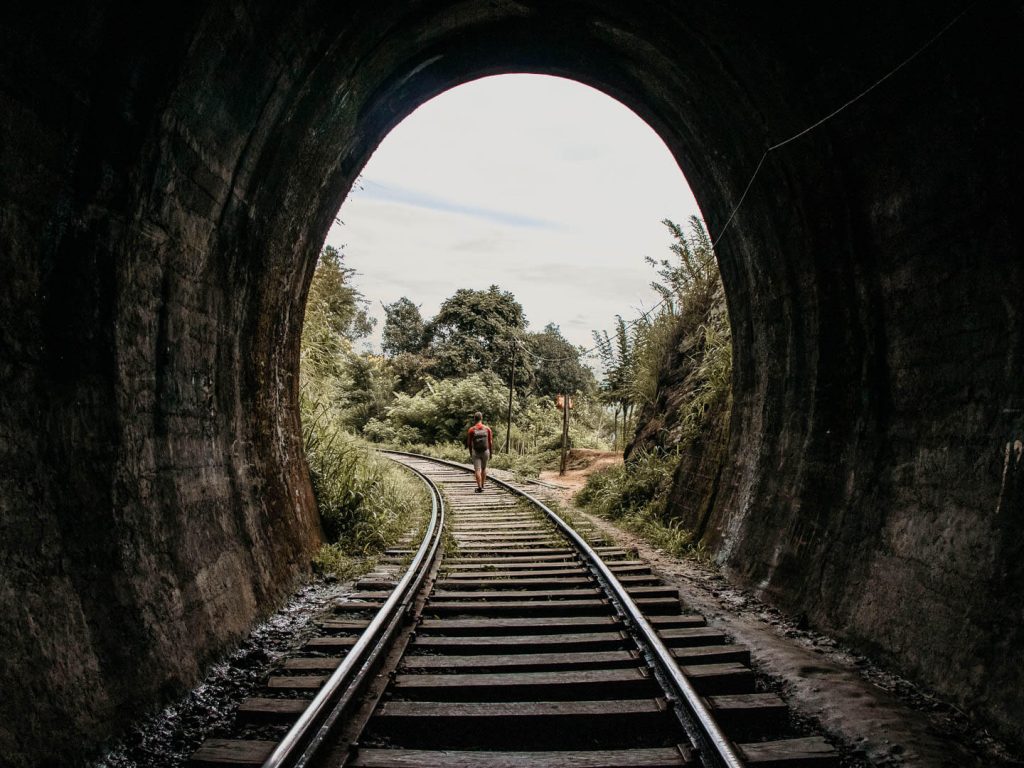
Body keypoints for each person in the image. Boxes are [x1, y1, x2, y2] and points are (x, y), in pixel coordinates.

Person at [466, 411, 493, 492]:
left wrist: (471, 452)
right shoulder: (487, 429)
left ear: (474, 419)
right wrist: (491, 453)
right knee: (484, 469)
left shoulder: (471, 430)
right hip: (485, 451)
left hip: (476, 452)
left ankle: (479, 487)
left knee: (477, 470)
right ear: (481, 418)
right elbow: (490, 442)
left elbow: (469, 443)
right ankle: (483, 485)